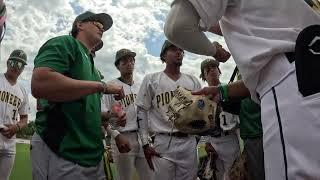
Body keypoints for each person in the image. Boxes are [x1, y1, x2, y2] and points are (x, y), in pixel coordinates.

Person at [164, 0, 320, 179]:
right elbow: (244, 23)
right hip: (304, 74)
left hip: (291, 86)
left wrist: (213, 50)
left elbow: (177, 27)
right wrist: (221, 91)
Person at [30, 11, 124, 180]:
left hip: (92, 154)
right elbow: (40, 85)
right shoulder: (65, 43)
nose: (102, 28)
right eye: (97, 23)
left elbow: (86, 111)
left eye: (103, 27)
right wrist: (101, 87)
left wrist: (111, 116)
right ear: (79, 25)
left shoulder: (94, 69)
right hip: (63, 149)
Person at [136, 40, 201, 180]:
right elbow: (141, 111)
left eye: (181, 50)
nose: (178, 52)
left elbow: (200, 112)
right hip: (163, 140)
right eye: (173, 49)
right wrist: (145, 144)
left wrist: (198, 136)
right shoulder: (151, 79)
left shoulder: (193, 80)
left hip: (188, 141)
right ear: (163, 56)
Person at [101, 48, 153, 180]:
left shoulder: (141, 86)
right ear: (118, 66)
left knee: (151, 176)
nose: (129, 63)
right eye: (124, 61)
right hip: (122, 137)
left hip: (143, 138)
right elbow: (102, 116)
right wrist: (114, 134)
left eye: (131, 60)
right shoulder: (111, 86)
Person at [200, 59, 240, 180]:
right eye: (208, 69)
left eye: (214, 67)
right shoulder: (201, 97)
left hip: (229, 139)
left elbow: (238, 117)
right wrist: (207, 142)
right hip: (212, 141)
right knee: (214, 175)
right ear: (203, 75)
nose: (212, 70)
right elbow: (202, 123)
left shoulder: (230, 90)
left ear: (219, 71)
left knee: (232, 175)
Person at [0, 49, 29, 180]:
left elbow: (24, 118)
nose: (16, 67)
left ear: (23, 69)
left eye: (20, 65)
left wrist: (16, 128)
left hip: (10, 143)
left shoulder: (22, 91)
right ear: (7, 62)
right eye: (13, 62)